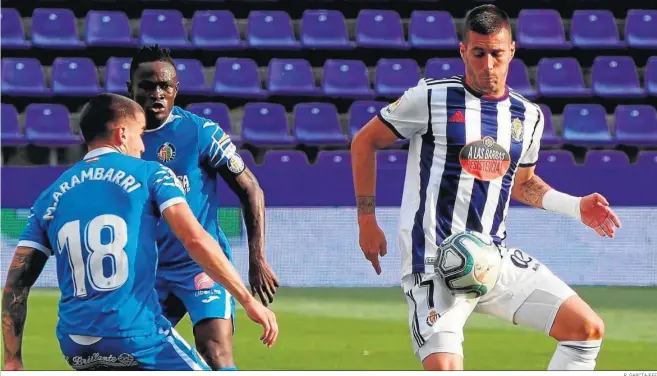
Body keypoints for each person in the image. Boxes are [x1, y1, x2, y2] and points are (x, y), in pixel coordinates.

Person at [351, 4, 621, 371]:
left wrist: (576, 207)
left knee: (586, 329)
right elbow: (364, 142)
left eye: (496, 53)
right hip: (433, 260)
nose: (488, 64)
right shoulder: (431, 97)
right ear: (464, 52)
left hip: (491, 258)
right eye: (478, 53)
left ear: (511, 51)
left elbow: (523, 185)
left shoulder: (528, 116)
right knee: (445, 367)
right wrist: (366, 220)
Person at [1, 93, 278, 371]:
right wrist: (247, 299)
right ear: (122, 133)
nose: (143, 145)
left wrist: (12, 360)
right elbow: (195, 239)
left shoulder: (50, 196)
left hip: (76, 345)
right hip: (135, 337)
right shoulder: (151, 173)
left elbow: (16, 283)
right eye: (140, 133)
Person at [126, 45, 279, 371]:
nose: (157, 93)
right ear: (130, 88)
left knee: (214, 351)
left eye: (165, 86)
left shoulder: (200, 132)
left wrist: (257, 258)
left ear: (176, 89)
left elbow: (251, 188)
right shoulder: (121, 143)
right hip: (149, 273)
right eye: (147, 85)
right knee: (131, 357)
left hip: (202, 268)